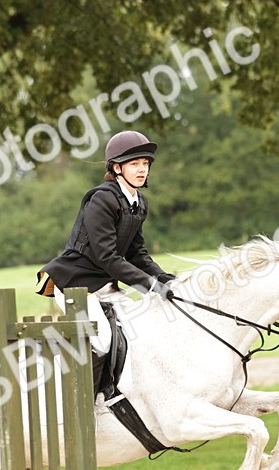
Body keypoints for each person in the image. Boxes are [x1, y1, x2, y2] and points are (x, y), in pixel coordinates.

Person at [37, 130, 177, 355]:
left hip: (105, 285)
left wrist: (166, 280)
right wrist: (150, 286)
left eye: (145, 163)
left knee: (138, 332)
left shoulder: (139, 203)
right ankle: (91, 390)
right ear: (117, 168)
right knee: (103, 343)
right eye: (134, 164)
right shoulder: (102, 199)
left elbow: (137, 254)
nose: (142, 169)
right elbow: (106, 257)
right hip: (75, 283)